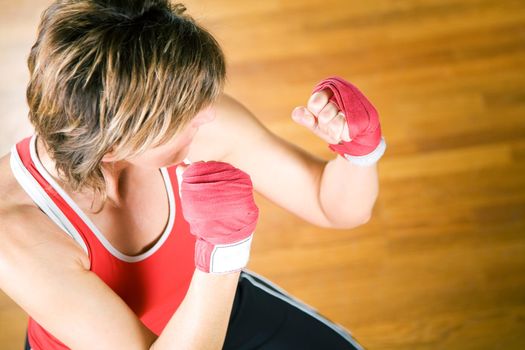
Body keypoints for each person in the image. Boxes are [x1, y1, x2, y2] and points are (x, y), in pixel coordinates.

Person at [0, 1, 385, 349]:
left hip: (211, 301)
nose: (208, 115)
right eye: (183, 114)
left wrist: (359, 151)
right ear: (113, 146)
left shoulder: (200, 125)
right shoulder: (15, 228)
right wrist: (223, 254)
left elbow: (334, 207)